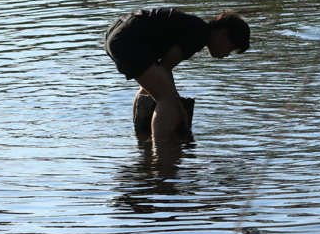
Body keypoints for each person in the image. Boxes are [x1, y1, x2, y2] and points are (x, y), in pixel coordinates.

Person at [104, 8, 250, 138]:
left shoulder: (196, 27)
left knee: (152, 91)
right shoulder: (199, 34)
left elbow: (163, 71)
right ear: (224, 35)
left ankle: (142, 139)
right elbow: (165, 68)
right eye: (230, 48)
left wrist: (174, 99)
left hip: (116, 34)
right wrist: (176, 104)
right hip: (128, 38)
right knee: (168, 100)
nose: (226, 55)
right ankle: (163, 152)